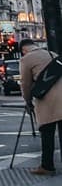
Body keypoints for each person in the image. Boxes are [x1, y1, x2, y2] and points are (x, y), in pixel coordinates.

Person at [20, 38, 62, 175]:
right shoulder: (52, 55)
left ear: (23, 50)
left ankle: (47, 166)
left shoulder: (26, 59)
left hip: (47, 99)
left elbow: (25, 84)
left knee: (47, 132)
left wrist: (27, 100)